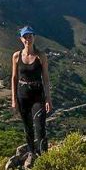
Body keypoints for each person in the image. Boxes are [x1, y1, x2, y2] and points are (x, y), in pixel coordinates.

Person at [11, 26, 53, 161]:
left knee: (40, 126)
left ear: (34, 37)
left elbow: (45, 78)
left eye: (30, 36)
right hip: (22, 95)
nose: (28, 39)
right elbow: (14, 78)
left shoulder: (41, 56)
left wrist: (48, 98)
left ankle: (44, 157)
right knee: (27, 126)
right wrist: (13, 100)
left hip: (37, 94)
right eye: (25, 37)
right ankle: (31, 153)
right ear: (21, 39)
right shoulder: (16, 56)